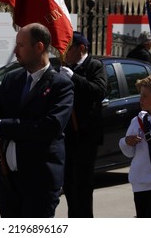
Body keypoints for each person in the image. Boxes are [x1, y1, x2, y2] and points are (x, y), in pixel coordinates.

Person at [0, 23, 74, 218]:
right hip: (9, 176)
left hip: (39, 180)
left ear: (39, 47)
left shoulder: (60, 85)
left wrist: (6, 127)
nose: (15, 51)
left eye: (21, 45)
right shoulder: (12, 79)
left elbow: (51, 127)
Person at [59, 31, 107, 218]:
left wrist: (74, 78)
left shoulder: (94, 66)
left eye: (68, 49)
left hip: (87, 135)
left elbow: (99, 91)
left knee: (83, 185)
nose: (65, 53)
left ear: (81, 48)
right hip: (68, 134)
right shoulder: (65, 67)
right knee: (69, 184)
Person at [119, 75, 151, 218]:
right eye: (140, 95)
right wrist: (126, 142)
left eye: (145, 96)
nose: (141, 100)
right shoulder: (137, 121)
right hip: (139, 182)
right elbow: (129, 153)